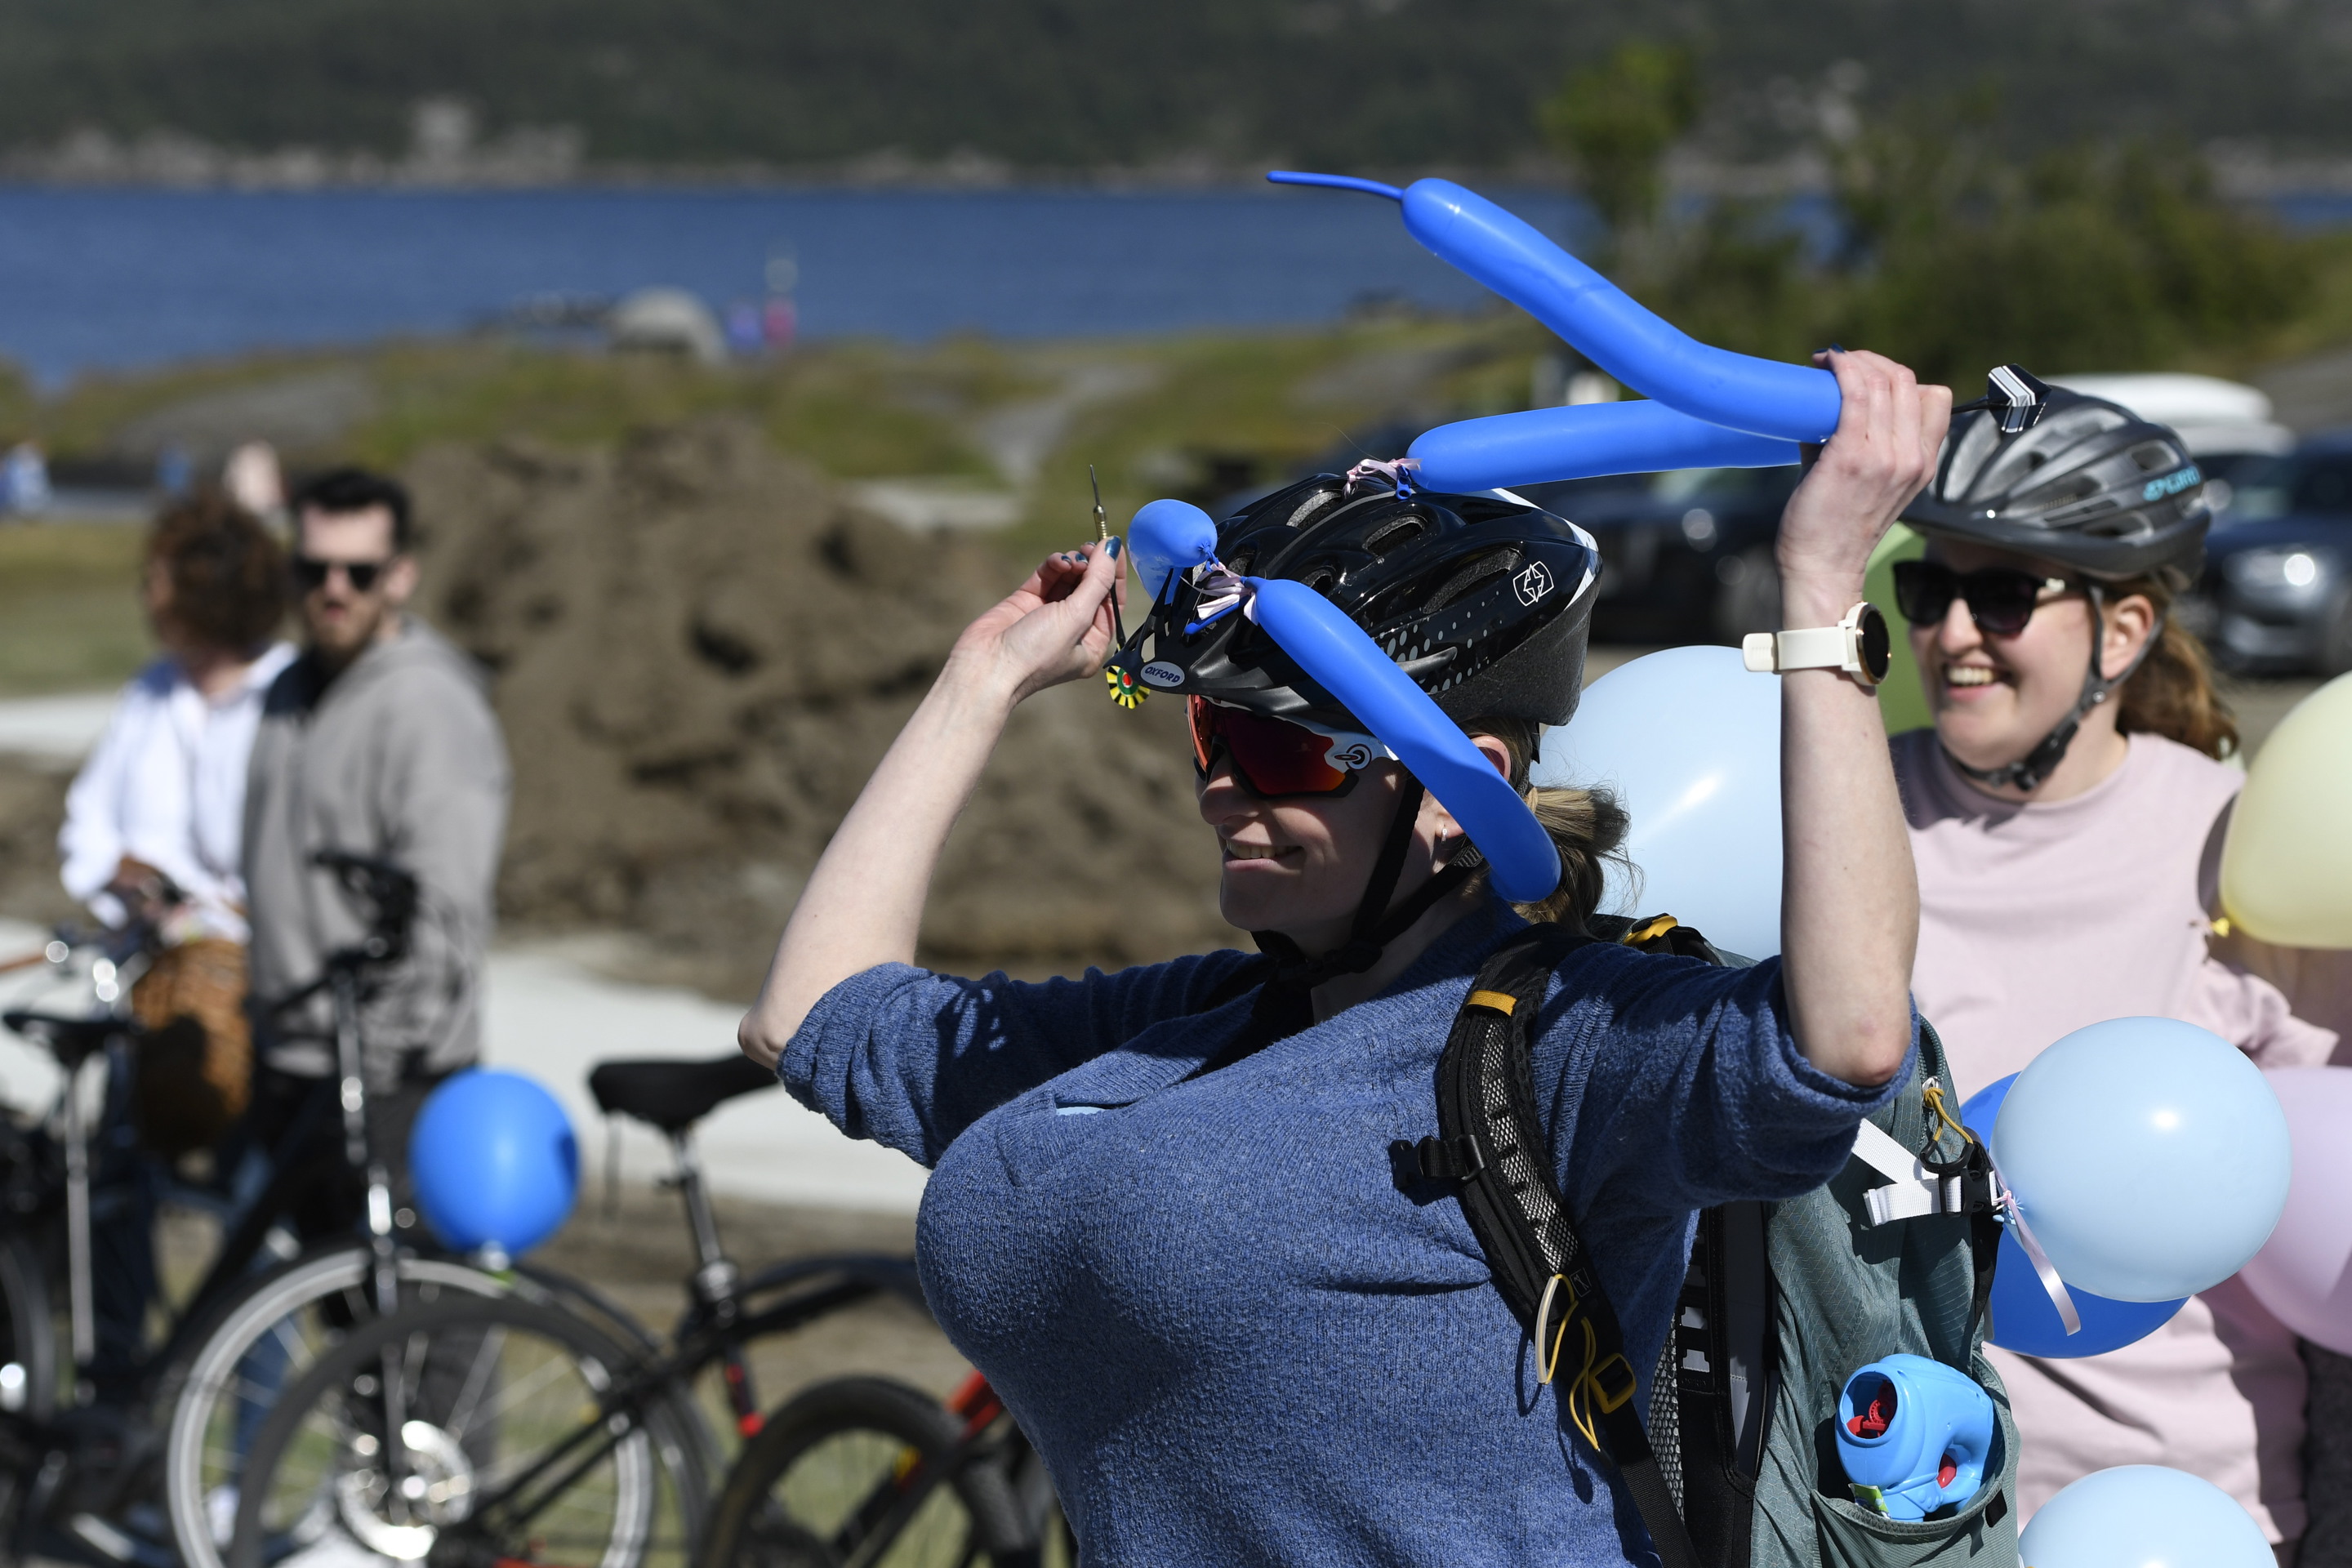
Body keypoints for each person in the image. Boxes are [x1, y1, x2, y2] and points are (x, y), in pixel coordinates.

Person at [740, 352, 1948, 1563]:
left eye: (1284, 750)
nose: (1222, 790)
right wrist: (985, 678)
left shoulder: (1568, 1041)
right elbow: (811, 1017)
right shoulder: (1192, 1028)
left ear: (1458, 788)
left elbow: (1844, 1042)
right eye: (1213, 734)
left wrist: (1823, 589)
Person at [1889, 376, 2338, 1559]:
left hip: (2179, 1516)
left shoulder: (2242, 850)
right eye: (1929, 588)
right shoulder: (1845, 821)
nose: (1951, 634)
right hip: (1892, 1507)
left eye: (2001, 594)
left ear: (2124, 630)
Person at [60, 489, 293, 1397]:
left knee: (254, 1217)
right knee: (117, 1195)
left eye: (159, 575)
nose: (147, 592)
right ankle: (116, 1408)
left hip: (249, 1001)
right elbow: (91, 826)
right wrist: (125, 883)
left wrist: (223, 911)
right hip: (150, 989)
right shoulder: (152, 695)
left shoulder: (283, 697)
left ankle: (251, 1432)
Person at [241, 466, 510, 1241]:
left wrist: (380, 1066)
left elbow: (447, 906)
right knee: (322, 1302)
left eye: (358, 572)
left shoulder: (429, 705)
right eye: (314, 568)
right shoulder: (287, 689)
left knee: (409, 1308)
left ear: (400, 576)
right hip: (291, 1061)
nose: (334, 590)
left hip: (391, 1079)